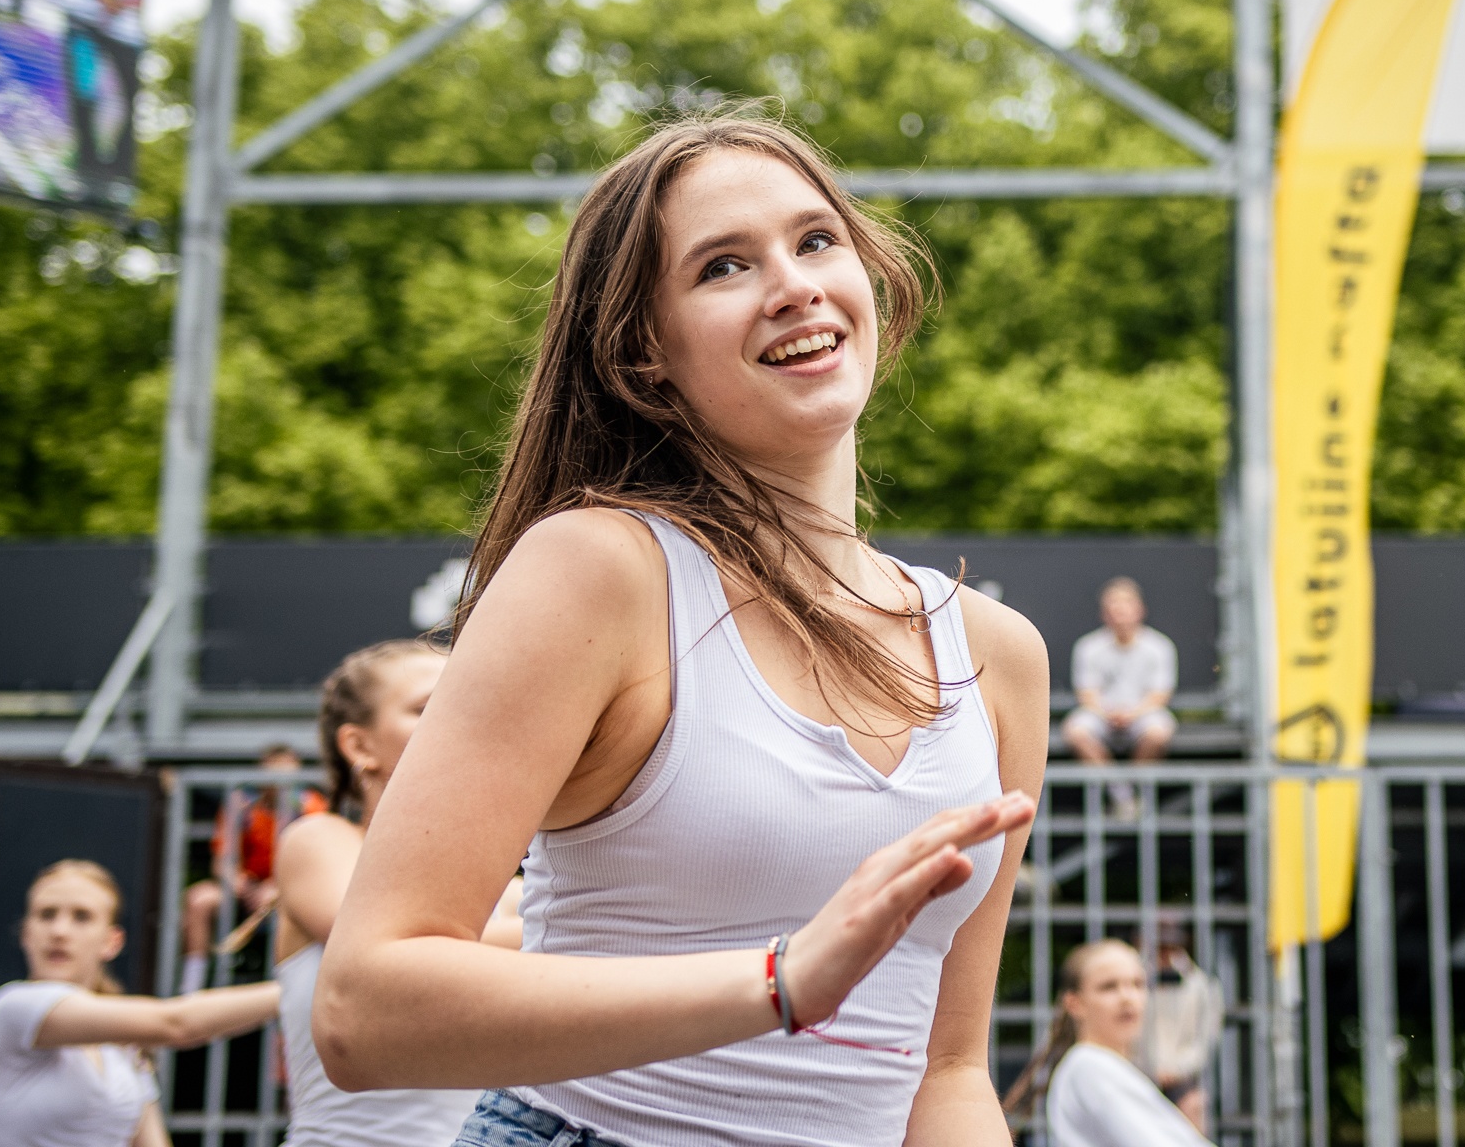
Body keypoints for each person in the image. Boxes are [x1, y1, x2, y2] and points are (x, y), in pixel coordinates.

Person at [312, 112, 1045, 1147]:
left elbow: (950, 1070)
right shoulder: (599, 571)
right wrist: (780, 982)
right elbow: (364, 1013)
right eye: (723, 267)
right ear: (644, 353)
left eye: (816, 239)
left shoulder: (998, 654)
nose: (792, 285)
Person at [273, 640, 522, 1147]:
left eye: (472, 699)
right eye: (428, 706)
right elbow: (392, 946)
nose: (465, 717)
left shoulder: (516, 897)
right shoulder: (319, 842)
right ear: (358, 746)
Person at [0, 859, 280, 1147]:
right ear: (26, 934)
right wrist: (291, 991)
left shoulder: (122, 1050)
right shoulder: (13, 1007)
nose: (59, 931)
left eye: (81, 917)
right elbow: (175, 1024)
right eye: (46, 915)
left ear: (112, 942)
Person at [999, 939, 1211, 1146]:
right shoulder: (1089, 1065)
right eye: (1108, 987)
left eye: (1137, 984)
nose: (1127, 997)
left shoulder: (1105, 1066)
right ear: (1074, 1003)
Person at [179, 742, 325, 994]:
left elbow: (317, 863)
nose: (280, 781)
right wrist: (241, 884)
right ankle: (191, 987)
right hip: (244, 890)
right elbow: (222, 862)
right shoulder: (241, 804)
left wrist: (278, 888)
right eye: (273, 772)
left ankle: (291, 990)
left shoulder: (310, 805)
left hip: (288, 891)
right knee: (199, 900)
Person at [52, 0, 146, 186]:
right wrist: (127, 2)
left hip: (121, 32)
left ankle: (119, 166)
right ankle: (87, 164)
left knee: (133, 98)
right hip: (85, 25)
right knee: (86, 93)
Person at [1063, 577, 1179, 773]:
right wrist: (1108, 714)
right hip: (1101, 715)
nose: (1120, 613)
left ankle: (1135, 785)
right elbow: (1086, 693)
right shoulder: (1088, 647)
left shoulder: (1160, 646)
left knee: (1158, 733)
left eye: (1125, 606)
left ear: (1140, 610)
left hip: (1144, 714)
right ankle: (1117, 789)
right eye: (1114, 608)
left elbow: (1160, 695)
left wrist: (1132, 715)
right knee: (1076, 732)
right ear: (1104, 614)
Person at [1142, 920, 1225, 1132]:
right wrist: (1150, 1068)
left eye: (1169, 946)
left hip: (1184, 1082)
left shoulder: (1203, 986)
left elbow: (1205, 1039)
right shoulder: (1135, 981)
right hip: (1140, 1075)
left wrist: (1176, 1070)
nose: (1163, 953)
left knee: (1194, 1108)